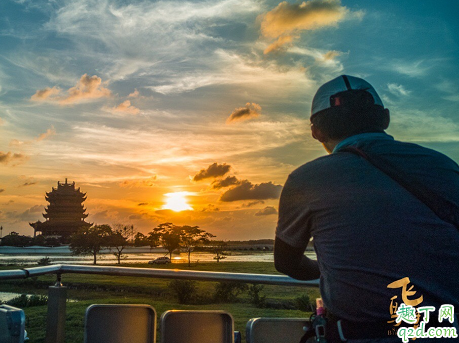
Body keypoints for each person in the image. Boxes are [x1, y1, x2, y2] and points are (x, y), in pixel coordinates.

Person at [274, 75, 459, 342]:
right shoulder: (444, 166)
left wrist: (326, 270)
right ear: (384, 118)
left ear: (316, 132)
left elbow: (286, 262)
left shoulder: (306, 179)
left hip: (359, 335)